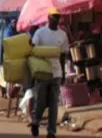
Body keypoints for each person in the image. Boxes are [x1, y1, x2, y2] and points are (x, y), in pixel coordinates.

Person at [30, 8, 69, 138]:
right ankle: (36, 121)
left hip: (56, 73)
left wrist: (62, 73)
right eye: (53, 16)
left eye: (57, 16)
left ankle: (51, 132)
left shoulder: (62, 35)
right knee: (40, 101)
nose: (56, 19)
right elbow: (33, 50)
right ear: (48, 17)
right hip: (42, 72)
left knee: (53, 104)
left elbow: (63, 55)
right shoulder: (40, 33)